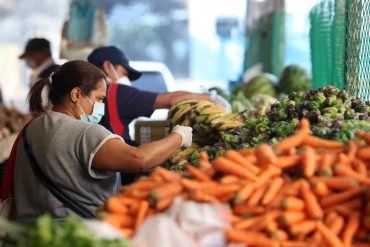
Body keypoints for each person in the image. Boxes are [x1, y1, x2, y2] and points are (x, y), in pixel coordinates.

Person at [12, 60, 192, 219]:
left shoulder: (32, 127)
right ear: (76, 95)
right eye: (99, 99)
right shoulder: (84, 133)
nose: (101, 107)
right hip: (76, 234)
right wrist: (179, 136)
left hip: (30, 233)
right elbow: (139, 159)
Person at [87, 46, 231, 145]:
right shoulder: (116, 92)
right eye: (124, 73)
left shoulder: (84, 92)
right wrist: (211, 98)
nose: (126, 80)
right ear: (107, 66)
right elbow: (171, 100)